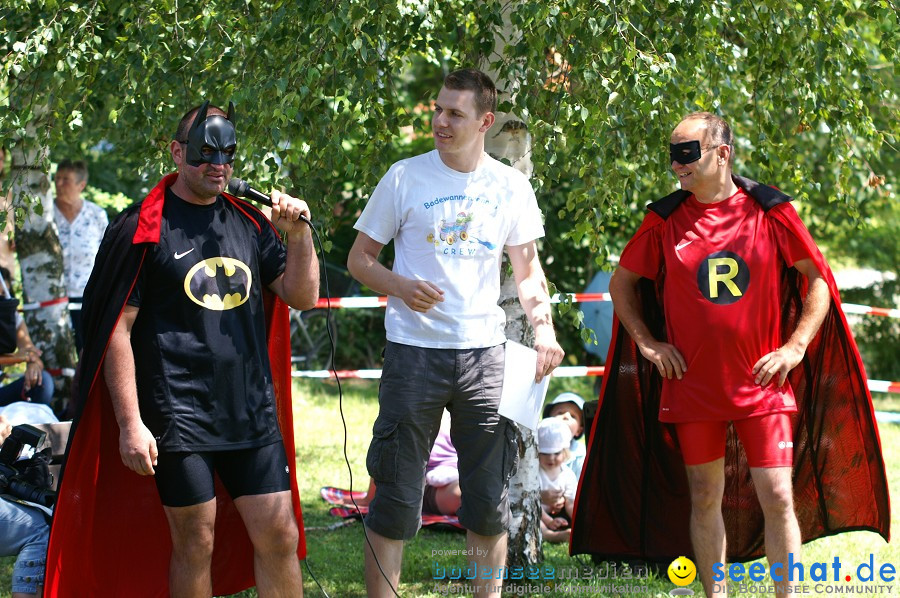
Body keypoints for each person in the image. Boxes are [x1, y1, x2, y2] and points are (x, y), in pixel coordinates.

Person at [570, 112, 889, 598]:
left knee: (779, 496)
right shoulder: (664, 219)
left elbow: (820, 279)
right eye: (672, 153)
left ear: (722, 153)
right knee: (704, 497)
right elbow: (622, 285)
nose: (678, 165)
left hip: (761, 386)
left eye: (687, 152)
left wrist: (796, 347)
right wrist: (648, 343)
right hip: (692, 386)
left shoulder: (770, 211)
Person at [45, 101, 318, 597]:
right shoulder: (141, 229)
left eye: (228, 153)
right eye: (204, 152)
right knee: (196, 541)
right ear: (177, 152)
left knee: (280, 534)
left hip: (250, 410)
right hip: (179, 414)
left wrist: (299, 237)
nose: (218, 164)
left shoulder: (251, 225)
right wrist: (131, 424)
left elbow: (302, 296)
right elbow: (115, 333)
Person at [347, 68, 564, 598]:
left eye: (454, 113)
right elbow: (359, 259)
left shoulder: (510, 185)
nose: (440, 121)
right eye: (438, 109)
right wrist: (398, 284)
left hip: (485, 361)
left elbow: (529, 272)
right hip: (413, 356)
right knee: (396, 495)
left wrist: (545, 329)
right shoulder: (403, 177)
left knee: (488, 502)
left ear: (485, 122)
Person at [53, 159, 109, 353]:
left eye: (65, 180)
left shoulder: (96, 215)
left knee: (87, 356)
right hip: (51, 301)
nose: (58, 184)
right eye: (57, 178)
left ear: (81, 185)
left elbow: (106, 258)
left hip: (87, 300)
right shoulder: (44, 214)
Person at [0, 268, 53, 408]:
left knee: (43, 382)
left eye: (3, 293)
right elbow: (25, 355)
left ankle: (34, 427)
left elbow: (30, 351)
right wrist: (21, 358)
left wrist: (33, 365)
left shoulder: (10, 318)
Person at [536, 417, 576, 544]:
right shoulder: (535, 473)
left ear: (565, 452)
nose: (551, 458)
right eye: (545, 454)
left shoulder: (567, 474)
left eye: (556, 453)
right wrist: (548, 521)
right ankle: (550, 535)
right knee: (531, 517)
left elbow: (570, 502)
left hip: (558, 512)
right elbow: (530, 502)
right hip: (540, 513)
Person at [541, 391, 585, 478]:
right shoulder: (536, 445)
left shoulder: (580, 454)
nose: (566, 416)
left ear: (578, 431)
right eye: (560, 413)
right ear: (548, 420)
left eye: (573, 416)